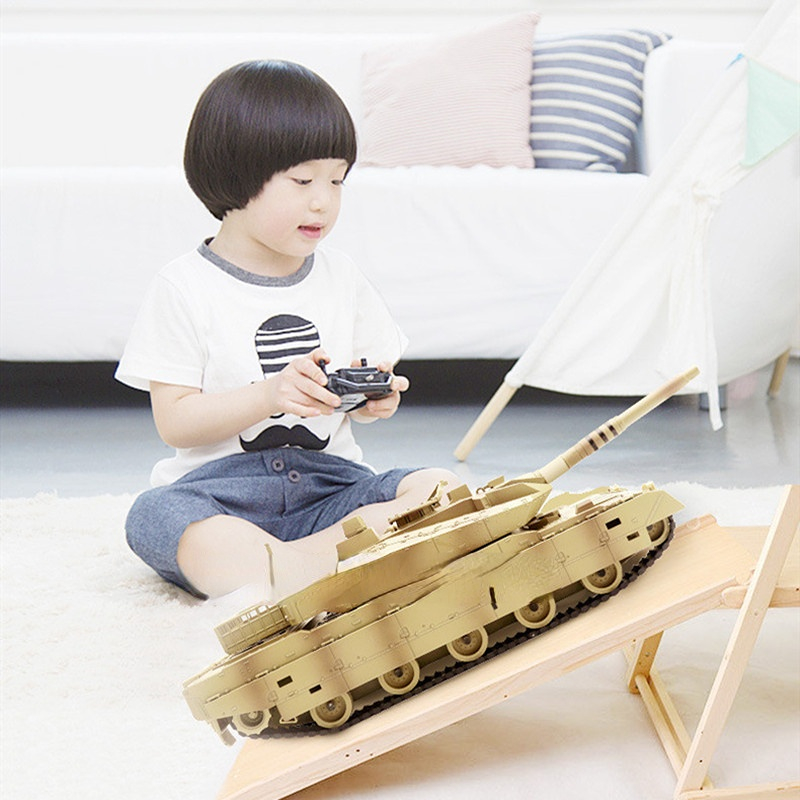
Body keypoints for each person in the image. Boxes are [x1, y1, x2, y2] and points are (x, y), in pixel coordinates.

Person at [115, 60, 456, 601]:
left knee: (441, 488)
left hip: (331, 487)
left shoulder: (343, 278)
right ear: (236, 174)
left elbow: (364, 380)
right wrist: (269, 395)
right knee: (155, 516)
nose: (323, 200)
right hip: (223, 495)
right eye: (302, 181)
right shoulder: (183, 286)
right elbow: (175, 422)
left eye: (337, 181)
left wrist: (372, 398)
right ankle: (334, 567)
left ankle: (290, 571)